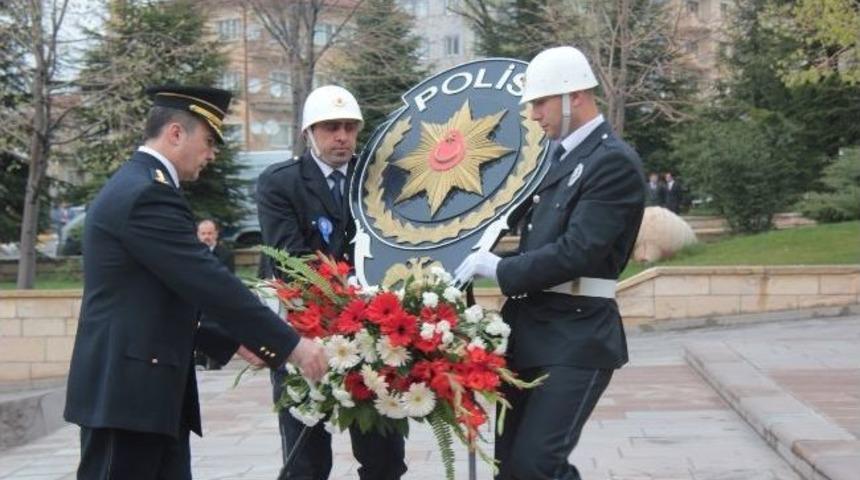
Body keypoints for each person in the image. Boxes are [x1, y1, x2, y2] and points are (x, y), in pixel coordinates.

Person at [63, 85, 327, 480]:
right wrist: (292, 345)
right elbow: (207, 281)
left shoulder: (145, 185)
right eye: (208, 141)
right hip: (128, 396)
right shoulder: (145, 193)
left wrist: (234, 340)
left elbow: (170, 290)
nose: (212, 154)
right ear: (175, 134)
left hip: (145, 392)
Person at [454, 46, 646, 479]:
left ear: (573, 96)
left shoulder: (611, 161)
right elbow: (536, 244)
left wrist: (499, 269)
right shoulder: (558, 160)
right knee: (510, 469)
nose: (534, 114)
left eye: (540, 102)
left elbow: (580, 250)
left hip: (577, 334)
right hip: (532, 329)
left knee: (536, 465)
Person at [256, 85, 407, 480]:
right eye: (329, 127)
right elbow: (291, 263)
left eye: (348, 127)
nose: (341, 136)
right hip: (305, 330)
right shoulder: (280, 182)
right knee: (306, 461)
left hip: (370, 332)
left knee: (385, 458)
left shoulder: (377, 178)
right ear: (309, 133)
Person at [194, 218, 235, 370]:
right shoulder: (191, 253)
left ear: (216, 234)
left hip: (218, 297)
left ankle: (216, 360)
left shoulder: (225, 254)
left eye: (210, 233)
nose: (206, 237)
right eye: (203, 233)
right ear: (197, 235)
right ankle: (199, 360)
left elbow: (229, 278)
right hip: (197, 297)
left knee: (218, 325)